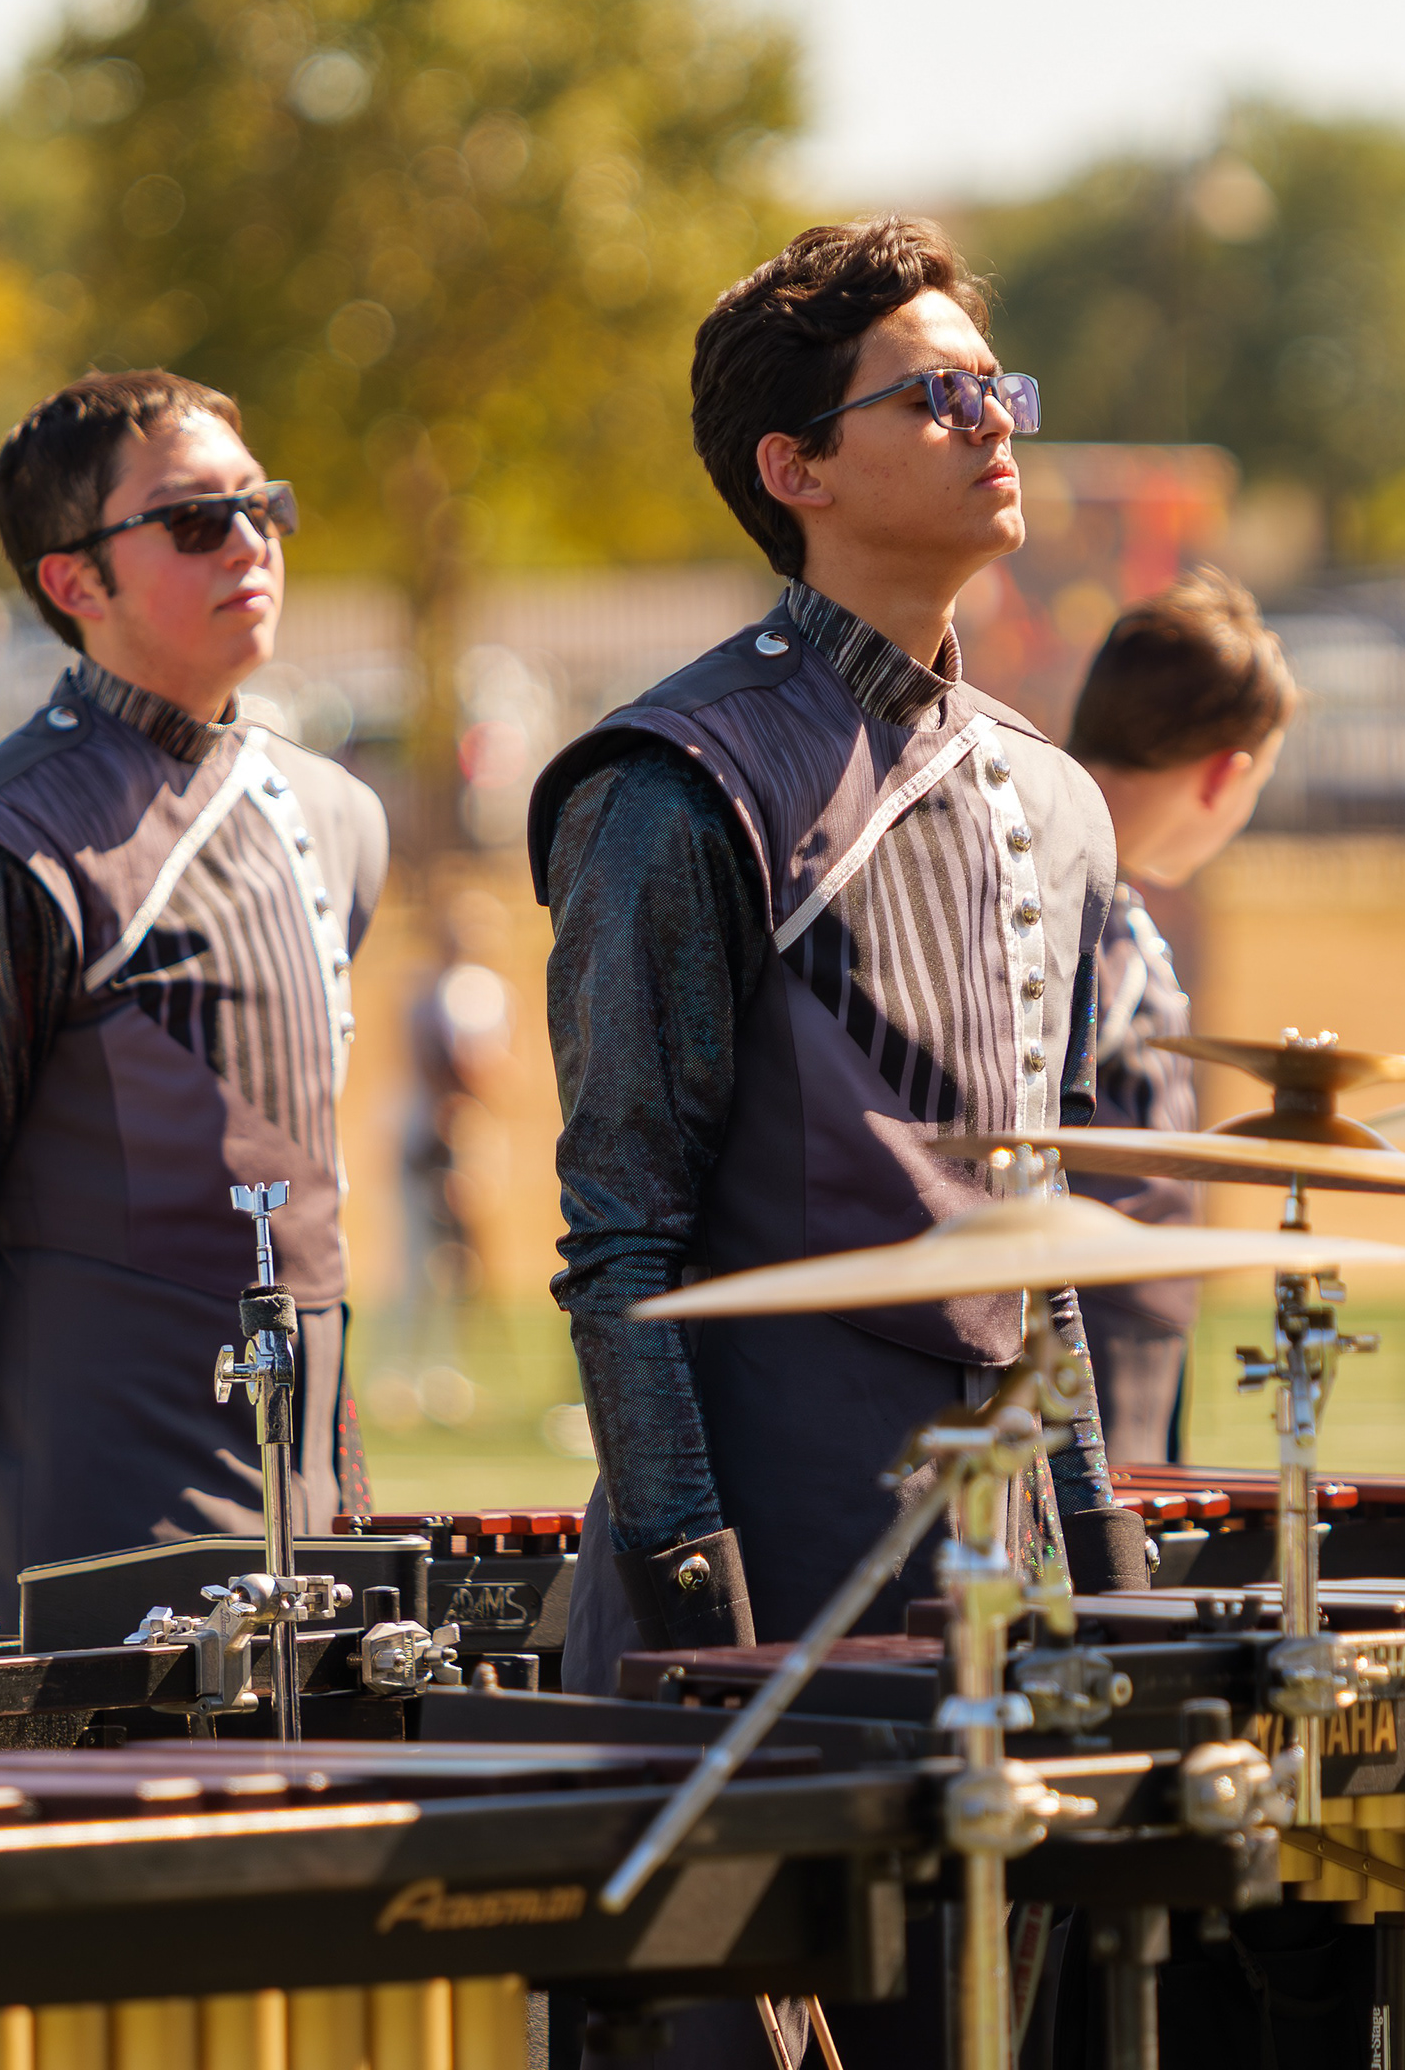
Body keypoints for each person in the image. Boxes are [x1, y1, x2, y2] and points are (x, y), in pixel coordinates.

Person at [529, 216, 1151, 1707]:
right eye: (940, 396)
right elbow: (622, 1240)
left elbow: (1038, 1238)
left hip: (1000, 1556)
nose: (993, 422)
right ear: (794, 468)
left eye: (1000, 387)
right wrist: (699, 1603)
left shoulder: (1057, 797)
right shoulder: (675, 782)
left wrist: (1103, 1555)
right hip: (774, 1552)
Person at [0, 371, 390, 1625]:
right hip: (87, 1533)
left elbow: (297, 1205)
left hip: (313, 1510)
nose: (249, 541)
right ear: (74, 582)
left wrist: (348, 1494)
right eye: (195, 519)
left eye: (263, 506)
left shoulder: (341, 816)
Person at [1058, 568, 1301, 1465]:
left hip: (1110, 1331)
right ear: (1226, 777)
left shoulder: (1077, 885)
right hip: (1082, 1354)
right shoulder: (1076, 912)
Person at [381, 888, 511, 1426]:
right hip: (430, 1139)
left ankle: (445, 1373)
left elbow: (497, 1068)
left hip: (467, 1137)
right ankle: (400, 1375)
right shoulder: (427, 993)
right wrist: (450, 1130)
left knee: (459, 1265)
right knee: (419, 1261)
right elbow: (442, 1066)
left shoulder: (488, 992)